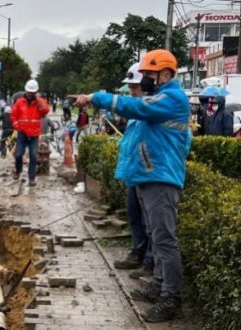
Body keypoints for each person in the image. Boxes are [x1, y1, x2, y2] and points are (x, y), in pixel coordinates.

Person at [72, 49, 191, 323]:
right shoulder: (159, 97)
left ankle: (170, 298)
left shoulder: (172, 98)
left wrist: (96, 98)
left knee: (164, 240)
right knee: (156, 236)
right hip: (149, 177)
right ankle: (160, 285)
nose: (145, 80)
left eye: (149, 75)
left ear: (165, 74)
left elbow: (136, 107)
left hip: (161, 178)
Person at [112, 63, 153, 280]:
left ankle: (149, 262)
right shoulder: (137, 112)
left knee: (149, 221)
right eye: (130, 87)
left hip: (148, 174)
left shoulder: (154, 110)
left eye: (135, 87)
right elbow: (130, 144)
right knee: (134, 215)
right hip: (134, 173)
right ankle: (137, 252)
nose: (131, 91)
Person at [11, 79, 49, 187]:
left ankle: (31, 178)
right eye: (29, 92)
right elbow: (13, 116)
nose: (30, 94)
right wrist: (17, 126)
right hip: (22, 132)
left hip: (34, 134)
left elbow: (45, 111)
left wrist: (39, 101)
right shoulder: (20, 102)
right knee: (18, 154)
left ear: (36, 92)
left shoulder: (40, 101)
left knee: (33, 156)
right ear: (26, 91)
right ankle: (18, 170)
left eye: (33, 92)